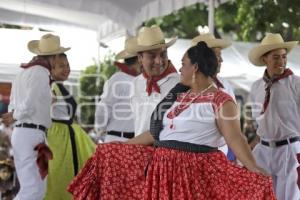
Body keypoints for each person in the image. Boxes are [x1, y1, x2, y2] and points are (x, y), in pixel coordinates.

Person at [68, 41, 275, 200]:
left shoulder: (221, 100)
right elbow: (156, 133)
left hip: (192, 173)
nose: (179, 69)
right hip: (163, 169)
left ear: (195, 68)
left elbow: (235, 138)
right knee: (107, 156)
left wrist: (253, 167)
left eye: (183, 65)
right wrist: (121, 146)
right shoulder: (179, 96)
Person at [1, 33, 69, 200]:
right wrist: (16, 115)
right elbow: (29, 103)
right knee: (34, 189)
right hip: (30, 133)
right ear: (54, 57)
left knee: (35, 188)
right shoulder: (40, 72)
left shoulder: (23, 73)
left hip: (26, 133)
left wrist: (16, 114)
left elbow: (15, 104)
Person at [248, 33, 300, 200]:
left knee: (289, 197)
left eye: (284, 57)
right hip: (264, 150)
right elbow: (260, 121)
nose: (281, 61)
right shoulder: (256, 87)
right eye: (276, 57)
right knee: (262, 195)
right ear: (265, 59)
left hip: (289, 149)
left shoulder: (295, 84)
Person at [44, 53, 96, 200]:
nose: (66, 69)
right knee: (60, 176)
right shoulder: (52, 86)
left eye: (67, 65)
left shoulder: (60, 86)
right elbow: (42, 106)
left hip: (68, 137)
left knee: (69, 174)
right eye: (61, 66)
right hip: (58, 140)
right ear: (51, 69)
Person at [128, 25, 180, 136]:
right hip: (139, 149)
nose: (159, 61)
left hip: (166, 150)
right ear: (140, 58)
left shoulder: (179, 83)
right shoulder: (135, 83)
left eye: (163, 54)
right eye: (152, 56)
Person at [191, 32, 235, 158]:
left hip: (222, 153)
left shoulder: (226, 85)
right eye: (217, 55)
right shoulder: (188, 86)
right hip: (195, 154)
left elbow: (233, 123)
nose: (221, 60)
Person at [94, 36, 141, 142]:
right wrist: (101, 129)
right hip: (117, 139)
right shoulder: (118, 79)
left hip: (135, 141)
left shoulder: (142, 79)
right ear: (139, 59)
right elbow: (103, 107)